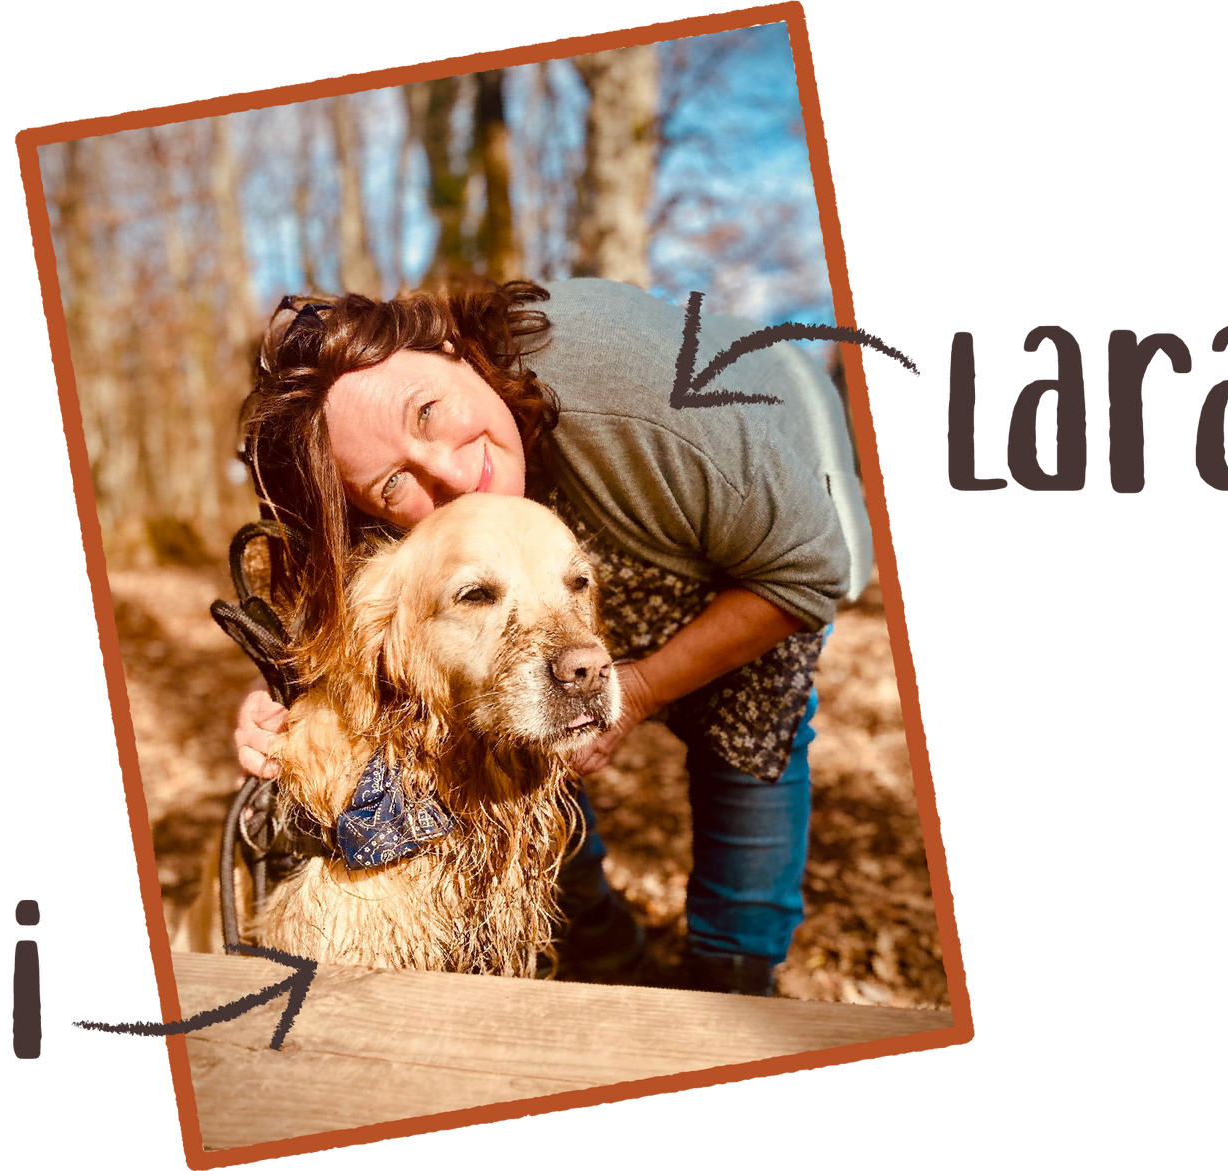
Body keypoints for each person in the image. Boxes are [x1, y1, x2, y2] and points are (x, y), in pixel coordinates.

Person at [232, 277, 872, 996]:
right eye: (390, 486)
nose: (448, 472)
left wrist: (641, 686)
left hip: (765, 538)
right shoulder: (396, 500)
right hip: (579, 585)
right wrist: (282, 695)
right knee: (509, 746)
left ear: (449, 348)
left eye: (429, 412)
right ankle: (603, 956)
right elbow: (348, 614)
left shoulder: (633, 390)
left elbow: (808, 571)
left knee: (751, 759)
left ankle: (733, 986)